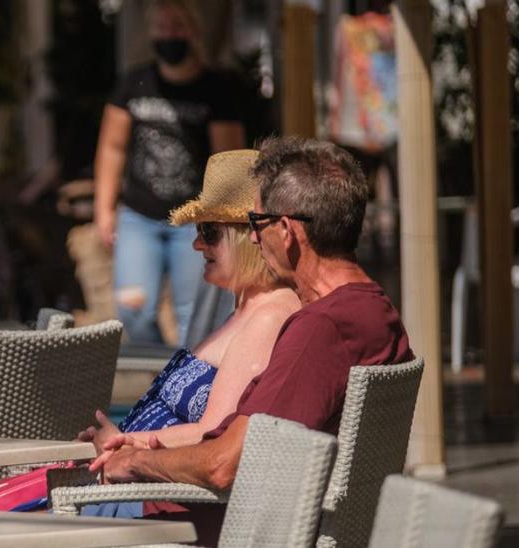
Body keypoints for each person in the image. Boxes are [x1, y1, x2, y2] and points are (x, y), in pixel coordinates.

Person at [90, 137, 414, 545]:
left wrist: (135, 462)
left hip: (203, 526)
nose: (255, 241)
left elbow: (223, 465)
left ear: (286, 230)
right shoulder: (376, 311)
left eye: (257, 224)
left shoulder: (321, 328)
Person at [73, 150, 300, 518]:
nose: (197, 244)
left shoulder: (269, 316)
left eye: (209, 233)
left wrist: (127, 443)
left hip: (163, 503)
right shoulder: (243, 308)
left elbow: (215, 433)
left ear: (248, 237)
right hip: (138, 486)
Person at [92, 0, 246, 345]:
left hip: (191, 220)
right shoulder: (134, 83)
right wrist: (104, 208)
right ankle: (164, 377)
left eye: (176, 27)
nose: (168, 35)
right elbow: (111, 147)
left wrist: (222, 221)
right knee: (133, 309)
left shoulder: (216, 90)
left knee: (195, 315)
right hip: (138, 216)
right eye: (161, 28)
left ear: (193, 32)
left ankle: (188, 387)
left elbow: (228, 159)